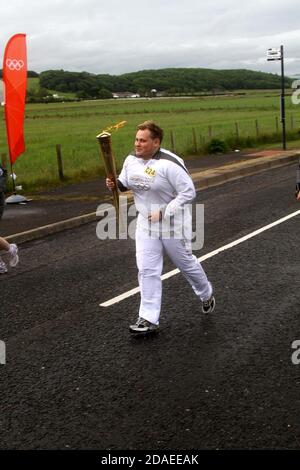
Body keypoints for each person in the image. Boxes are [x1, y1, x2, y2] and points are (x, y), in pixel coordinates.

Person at [106, 120, 215, 334]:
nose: (137, 144)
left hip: (172, 224)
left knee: (186, 265)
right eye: (136, 139)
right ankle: (148, 318)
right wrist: (114, 184)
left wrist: (164, 211)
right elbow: (125, 183)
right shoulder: (131, 160)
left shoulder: (170, 163)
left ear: (156, 142)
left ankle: (206, 293)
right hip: (146, 223)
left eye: (143, 141)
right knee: (147, 269)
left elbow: (189, 192)